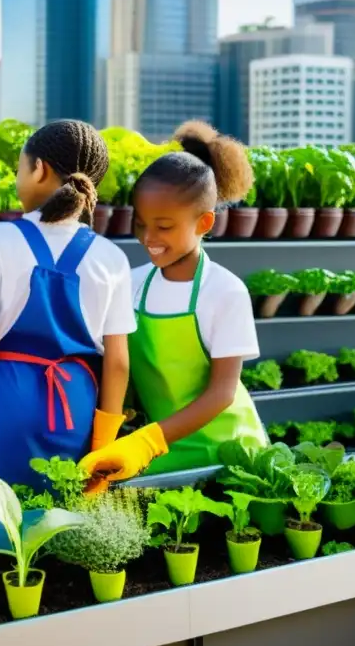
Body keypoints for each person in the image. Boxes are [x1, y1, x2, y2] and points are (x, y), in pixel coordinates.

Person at [0, 119, 136, 501]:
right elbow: (117, 363)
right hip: (73, 404)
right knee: (60, 515)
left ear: (39, 169)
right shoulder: (111, 257)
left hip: (4, 395)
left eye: (20, 168)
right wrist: (102, 442)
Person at [78, 121, 269, 491]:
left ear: (204, 222)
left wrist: (146, 441)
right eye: (141, 224)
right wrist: (113, 438)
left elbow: (222, 393)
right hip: (166, 452)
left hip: (230, 457)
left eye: (164, 227)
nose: (149, 238)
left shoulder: (225, 291)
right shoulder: (130, 283)